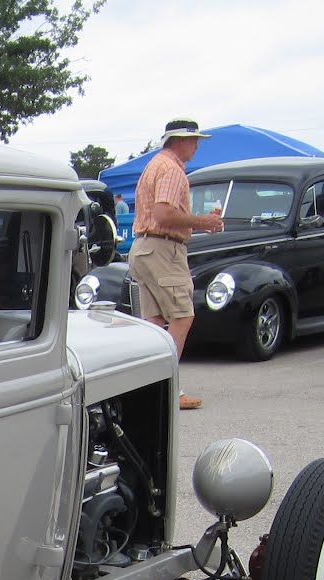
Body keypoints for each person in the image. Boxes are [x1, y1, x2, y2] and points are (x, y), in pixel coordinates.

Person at [129, 118, 225, 410]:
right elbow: (163, 214)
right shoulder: (171, 170)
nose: (197, 146)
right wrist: (202, 222)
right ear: (180, 140)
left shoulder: (155, 165)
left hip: (143, 249)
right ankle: (169, 389)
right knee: (182, 317)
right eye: (194, 140)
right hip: (163, 248)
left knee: (155, 324)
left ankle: (149, 387)